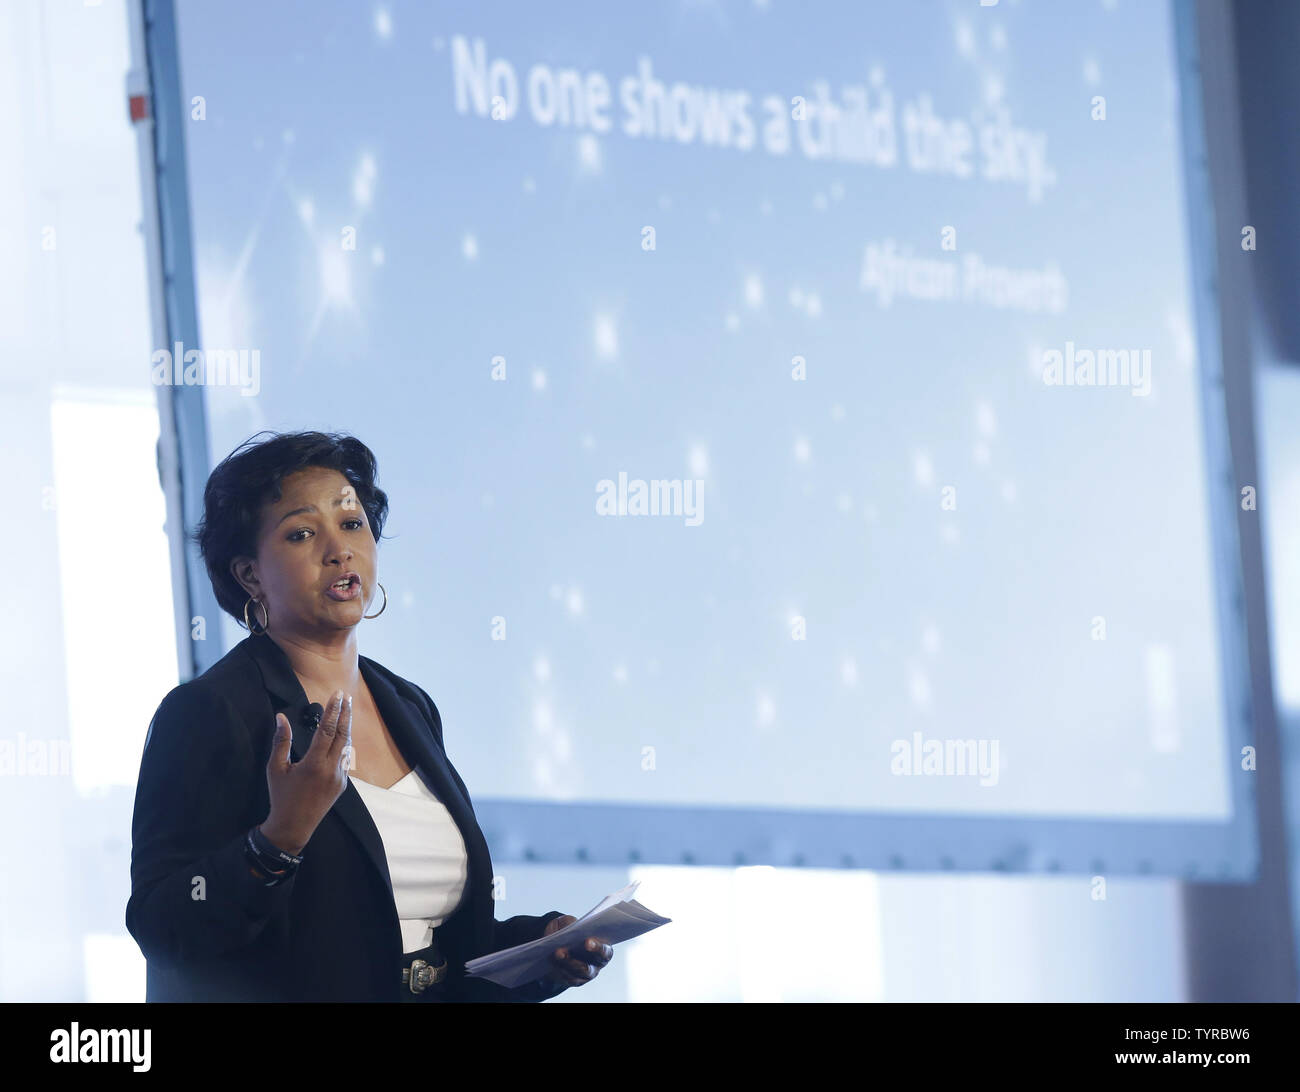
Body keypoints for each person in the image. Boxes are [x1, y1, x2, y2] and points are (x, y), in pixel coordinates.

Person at [126, 430, 612, 1001]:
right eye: (302, 533)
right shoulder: (209, 712)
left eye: (352, 524)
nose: (340, 550)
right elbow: (163, 926)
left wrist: (543, 947)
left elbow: (428, 944)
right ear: (249, 574)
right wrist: (278, 839)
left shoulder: (409, 705)